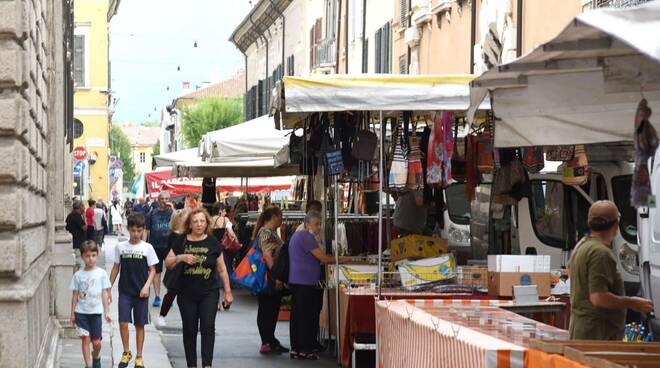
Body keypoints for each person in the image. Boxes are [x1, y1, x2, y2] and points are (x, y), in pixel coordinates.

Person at [568, 200, 653, 340]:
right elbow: (598, 298)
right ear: (616, 224)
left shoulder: (581, 246)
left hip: (584, 330)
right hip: (597, 335)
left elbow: (571, 270)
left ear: (590, 223)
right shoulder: (600, 253)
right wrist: (632, 303)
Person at [164, 207, 233, 368]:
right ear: (189, 224)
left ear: (207, 223)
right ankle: (192, 364)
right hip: (186, 293)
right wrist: (181, 257)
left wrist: (228, 292)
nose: (199, 224)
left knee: (208, 327)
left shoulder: (213, 242)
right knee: (189, 329)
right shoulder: (181, 240)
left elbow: (222, 269)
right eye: (195, 221)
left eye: (202, 221)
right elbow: (168, 262)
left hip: (209, 292)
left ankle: (207, 364)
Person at [288, 211, 348, 359]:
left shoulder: (297, 236)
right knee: (307, 316)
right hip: (305, 282)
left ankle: (296, 347)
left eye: (319, 224)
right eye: (316, 224)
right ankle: (305, 349)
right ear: (307, 224)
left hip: (297, 280)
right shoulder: (306, 237)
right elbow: (323, 258)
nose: (319, 227)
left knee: (297, 316)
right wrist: (342, 259)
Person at [109, 214, 159, 368]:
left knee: (139, 324)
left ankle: (139, 356)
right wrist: (108, 288)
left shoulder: (147, 248)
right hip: (125, 290)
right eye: (133, 230)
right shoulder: (121, 247)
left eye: (139, 230)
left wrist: (146, 287)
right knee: (123, 322)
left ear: (143, 230)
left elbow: (153, 270)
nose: (136, 234)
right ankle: (126, 352)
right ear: (128, 229)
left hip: (141, 293)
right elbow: (116, 268)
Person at [253, 206, 289, 355]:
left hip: (269, 276)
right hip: (269, 277)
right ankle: (267, 341)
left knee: (268, 309)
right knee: (268, 309)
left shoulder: (268, 232)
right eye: (281, 216)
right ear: (274, 216)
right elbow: (268, 256)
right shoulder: (266, 233)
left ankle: (270, 340)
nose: (282, 219)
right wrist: (277, 277)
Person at [69, 241, 112, 368]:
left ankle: (96, 356)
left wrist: (107, 312)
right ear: (82, 256)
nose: (90, 258)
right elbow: (75, 295)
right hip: (81, 312)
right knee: (86, 339)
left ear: (97, 254)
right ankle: (88, 365)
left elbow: (105, 293)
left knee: (97, 342)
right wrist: (72, 314)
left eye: (93, 255)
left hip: (96, 313)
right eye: (87, 256)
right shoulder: (78, 275)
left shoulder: (102, 273)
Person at [156, 209, 189, 327]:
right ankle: (161, 316)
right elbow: (169, 253)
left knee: (186, 296)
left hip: (187, 267)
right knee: (171, 293)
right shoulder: (174, 235)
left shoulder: (188, 234)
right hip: (176, 268)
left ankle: (187, 317)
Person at [145, 191, 173, 308]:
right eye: (162, 199)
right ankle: (157, 296)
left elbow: (179, 223)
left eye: (167, 199)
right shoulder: (152, 213)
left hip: (169, 246)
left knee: (171, 271)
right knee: (156, 272)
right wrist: (144, 245)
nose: (164, 201)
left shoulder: (172, 213)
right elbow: (147, 231)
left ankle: (169, 296)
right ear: (158, 200)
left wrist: (173, 208)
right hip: (155, 246)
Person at [66, 200, 88, 271]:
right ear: (80, 207)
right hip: (76, 244)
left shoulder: (71, 215)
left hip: (75, 242)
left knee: (77, 263)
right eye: (83, 206)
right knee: (78, 264)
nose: (84, 208)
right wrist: (84, 217)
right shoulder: (76, 216)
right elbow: (85, 227)